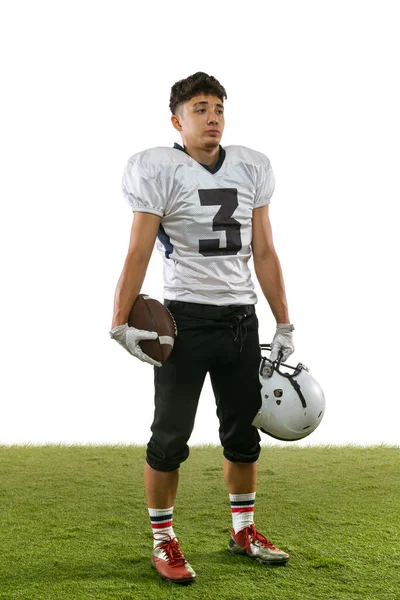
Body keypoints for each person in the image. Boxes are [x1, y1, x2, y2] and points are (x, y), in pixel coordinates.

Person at [110, 72, 295, 585]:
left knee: (242, 433)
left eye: (218, 108)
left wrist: (284, 321)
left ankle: (243, 529)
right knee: (170, 437)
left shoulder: (251, 167)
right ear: (177, 120)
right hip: (186, 320)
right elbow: (138, 251)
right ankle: (163, 538)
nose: (212, 116)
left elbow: (265, 251)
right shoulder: (159, 169)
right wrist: (118, 320)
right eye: (200, 108)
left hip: (240, 318)